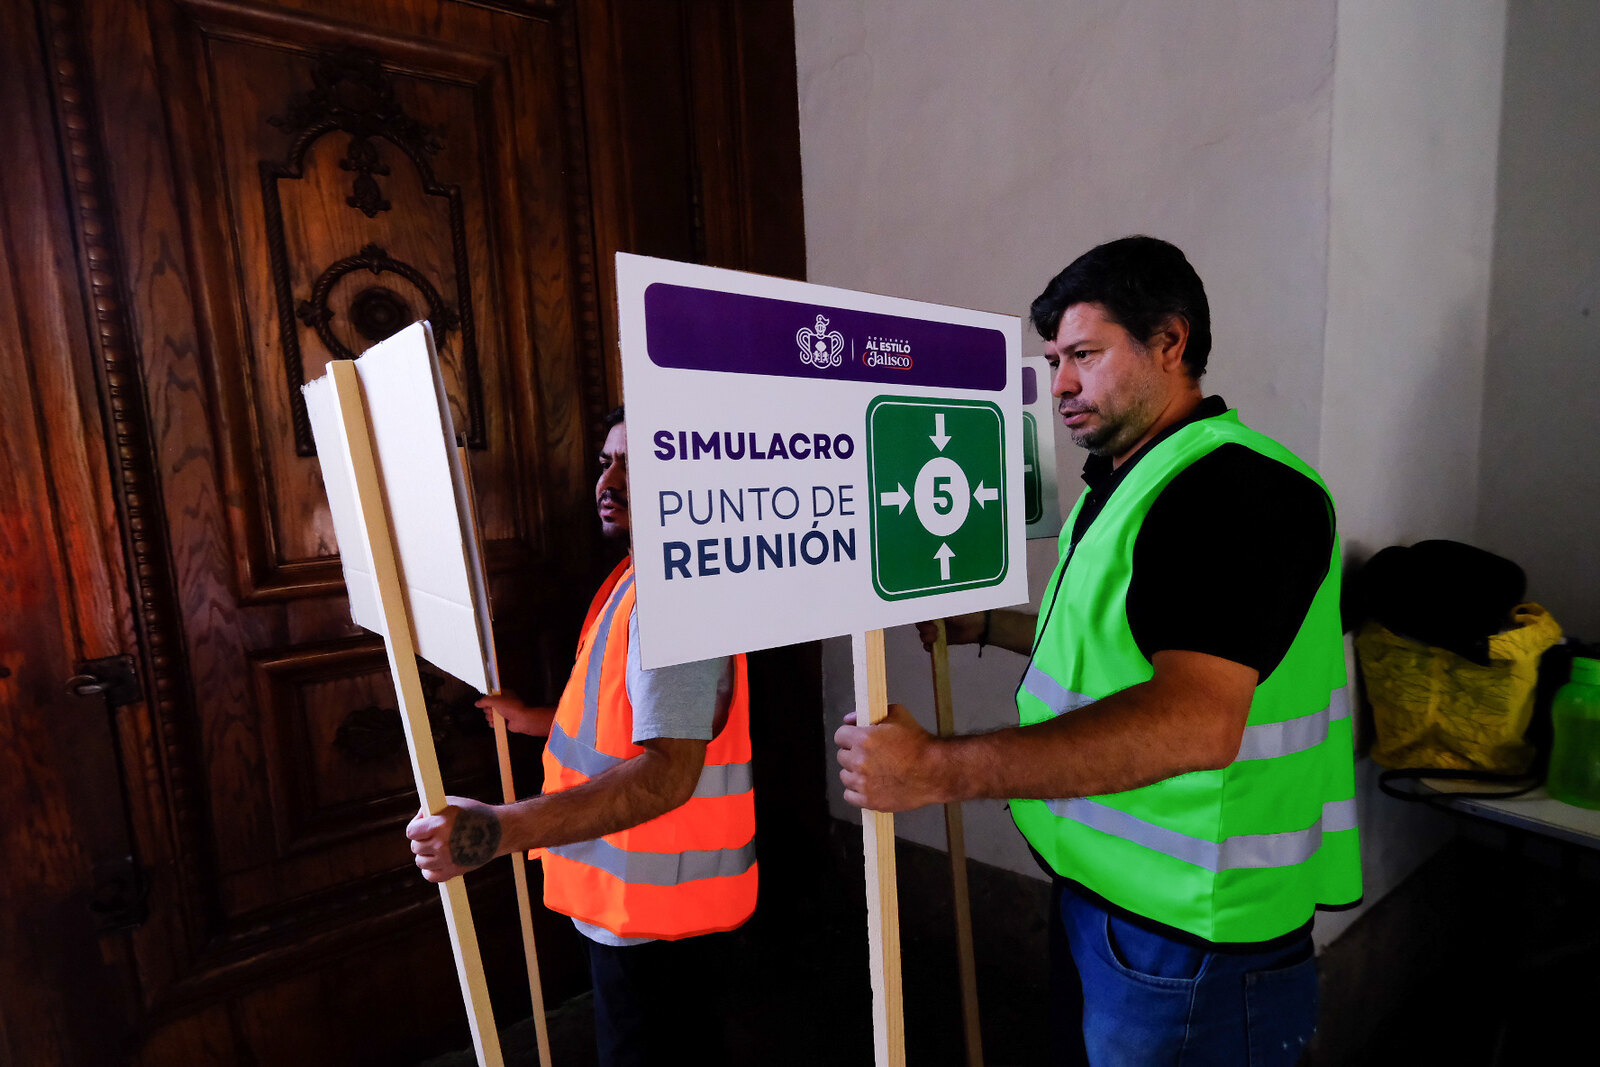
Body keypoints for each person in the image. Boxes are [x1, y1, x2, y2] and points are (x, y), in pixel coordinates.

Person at [834, 236, 1361, 1066]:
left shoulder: (1236, 492)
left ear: (1170, 342)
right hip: (1112, 904)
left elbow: (1194, 720)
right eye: (1054, 360)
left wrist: (937, 769)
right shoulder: (1127, 481)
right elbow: (1117, 645)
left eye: (1085, 354)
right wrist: (992, 625)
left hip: (1195, 944)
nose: (1061, 385)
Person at [407, 406, 755, 1067]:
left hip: (656, 919)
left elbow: (667, 772)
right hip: (635, 906)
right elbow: (623, 718)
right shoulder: (636, 579)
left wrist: (498, 829)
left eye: (635, 462)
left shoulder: (673, 596)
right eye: (606, 462)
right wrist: (531, 718)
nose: (609, 481)